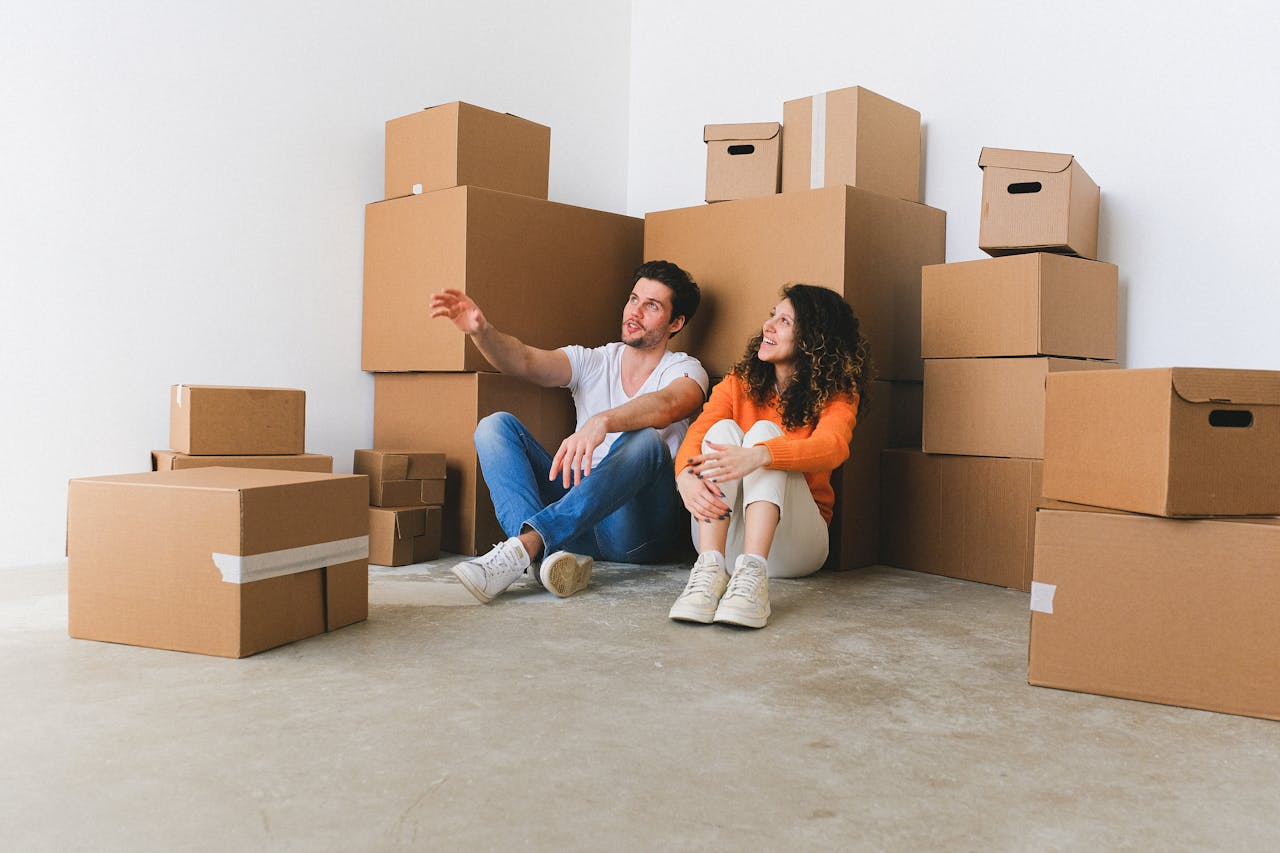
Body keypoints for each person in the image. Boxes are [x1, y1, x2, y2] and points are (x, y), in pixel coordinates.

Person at [428, 260, 709, 604]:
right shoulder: (595, 361)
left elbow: (668, 405)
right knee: (494, 427)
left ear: (676, 323)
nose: (635, 312)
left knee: (646, 440)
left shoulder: (684, 369)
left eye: (651, 306)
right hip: (574, 523)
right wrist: (481, 331)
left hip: (636, 532)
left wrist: (602, 421)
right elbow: (525, 361)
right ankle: (548, 561)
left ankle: (526, 547)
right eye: (633, 299)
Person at [669, 284, 870, 629]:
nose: (769, 326)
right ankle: (708, 574)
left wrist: (761, 455)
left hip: (794, 549)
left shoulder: (838, 392)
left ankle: (752, 582)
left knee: (764, 436)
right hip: (722, 540)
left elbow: (833, 447)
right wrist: (684, 477)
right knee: (720, 433)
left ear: (813, 338)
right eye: (771, 316)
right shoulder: (740, 382)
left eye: (785, 321)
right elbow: (697, 437)